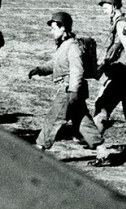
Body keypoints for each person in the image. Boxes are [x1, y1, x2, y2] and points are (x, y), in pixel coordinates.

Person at [27, 11, 112, 163]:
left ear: (63, 28)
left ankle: (38, 152)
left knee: (53, 119)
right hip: (73, 90)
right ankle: (103, 152)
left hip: (69, 90)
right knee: (83, 122)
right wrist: (40, 69)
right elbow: (55, 63)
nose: (51, 31)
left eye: (54, 28)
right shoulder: (64, 45)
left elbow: (77, 70)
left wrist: (73, 91)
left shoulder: (73, 47)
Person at [91, 0, 126, 157]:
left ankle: (94, 138)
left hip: (120, 73)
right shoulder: (119, 22)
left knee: (103, 103)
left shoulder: (121, 24)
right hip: (123, 73)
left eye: (106, 6)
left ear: (114, 6)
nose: (104, 9)